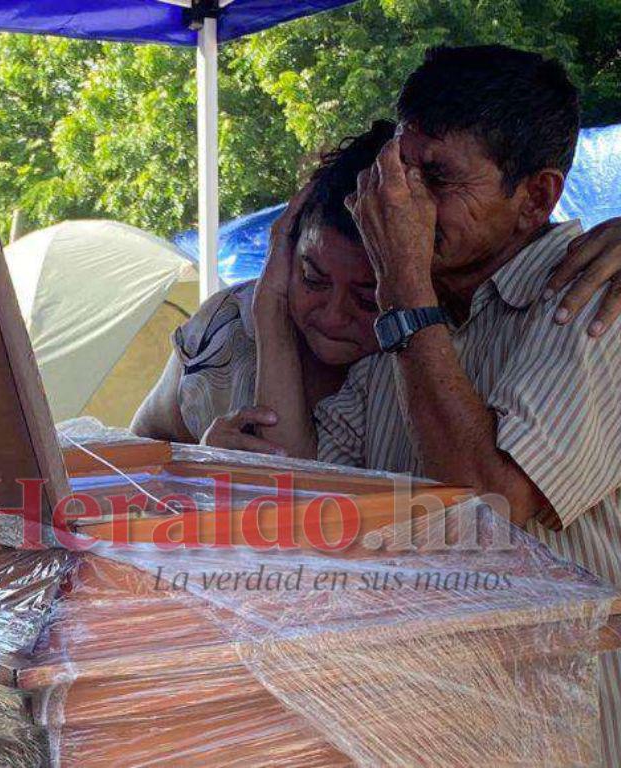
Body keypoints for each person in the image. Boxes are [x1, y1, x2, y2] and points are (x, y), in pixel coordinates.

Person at [260, 44, 621, 760]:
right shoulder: (402, 337)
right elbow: (321, 512)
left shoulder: (593, 303)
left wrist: (402, 290)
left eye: (439, 178)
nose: (404, 200)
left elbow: (491, 503)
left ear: (538, 197)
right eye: (401, 168)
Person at [131, 123, 621, 453]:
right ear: (284, 249)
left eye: (368, 297)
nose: (332, 314)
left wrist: (275, 319)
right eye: (313, 278)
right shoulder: (226, 326)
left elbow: (297, 500)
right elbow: (138, 447)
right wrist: (194, 470)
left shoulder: (427, 356)